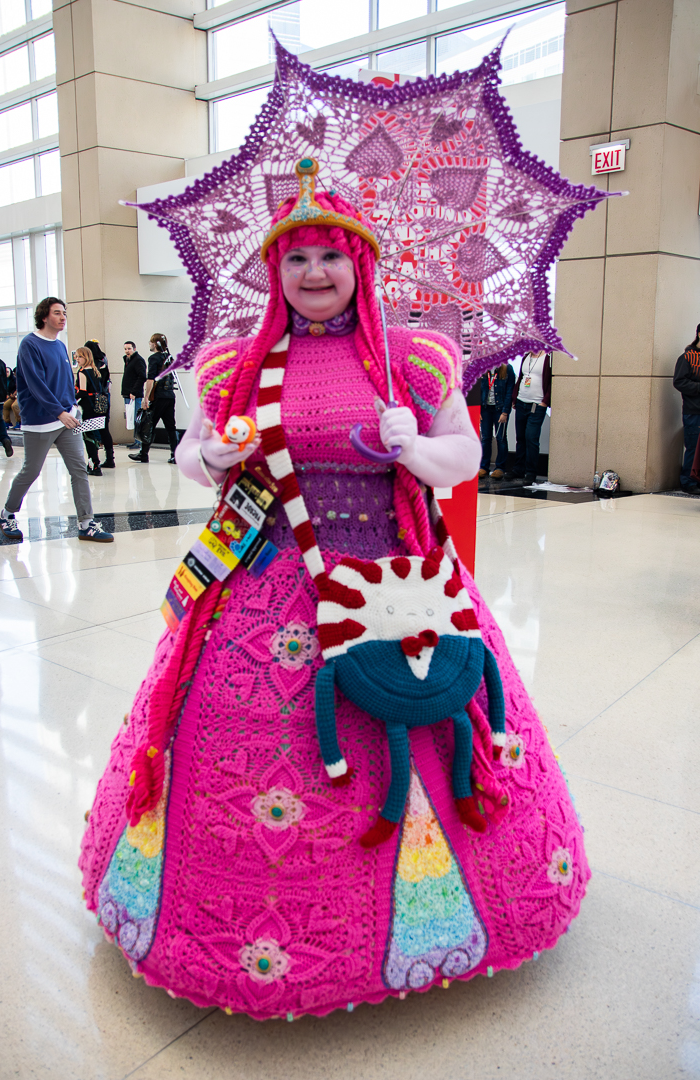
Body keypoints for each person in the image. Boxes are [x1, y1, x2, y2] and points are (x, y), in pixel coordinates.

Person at [80, 165, 587, 1018]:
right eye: (296, 258)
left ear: (361, 263)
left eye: (330, 257)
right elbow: (192, 453)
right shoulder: (234, 363)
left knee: (428, 723)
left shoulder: (414, 357)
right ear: (274, 270)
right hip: (264, 582)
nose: (314, 272)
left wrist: (413, 448)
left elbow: (463, 458)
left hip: (398, 587)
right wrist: (213, 457)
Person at [0, 297, 113, 543]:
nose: (63, 317)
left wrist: (72, 408)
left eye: (64, 313)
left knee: (79, 470)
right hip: (40, 420)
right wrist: (59, 412)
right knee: (31, 471)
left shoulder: (60, 345)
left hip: (66, 419)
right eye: (57, 313)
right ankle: (6, 514)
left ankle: (86, 524)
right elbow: (36, 385)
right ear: (44, 316)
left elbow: (67, 380)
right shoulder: (30, 344)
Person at [128, 332, 178, 464]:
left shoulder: (153, 358)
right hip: (170, 396)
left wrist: (146, 398)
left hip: (159, 396)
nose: (149, 344)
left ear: (155, 344)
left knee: (148, 424)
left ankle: (143, 454)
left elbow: (150, 379)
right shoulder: (169, 358)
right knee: (171, 427)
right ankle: (175, 454)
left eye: (150, 342)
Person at [508, 349, 552, 483]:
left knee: (531, 438)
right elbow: (521, 377)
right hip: (521, 402)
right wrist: (515, 398)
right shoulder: (526, 356)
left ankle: (531, 472)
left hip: (537, 404)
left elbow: (551, 381)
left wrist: (545, 402)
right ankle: (518, 469)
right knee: (520, 438)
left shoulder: (547, 358)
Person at [672, 324, 700, 493]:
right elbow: (679, 382)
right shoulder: (687, 357)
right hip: (694, 411)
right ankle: (688, 482)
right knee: (694, 447)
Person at [74, 346, 108, 476]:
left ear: (86, 357)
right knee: (94, 435)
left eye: (80, 356)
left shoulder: (82, 372)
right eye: (76, 357)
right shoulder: (95, 370)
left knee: (88, 437)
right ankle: (95, 463)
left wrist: (72, 398)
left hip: (87, 407)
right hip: (98, 406)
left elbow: (82, 391)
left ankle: (94, 464)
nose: (77, 359)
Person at [478, 364, 515, 479]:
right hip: (485, 409)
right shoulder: (482, 367)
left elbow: (509, 392)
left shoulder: (507, 368)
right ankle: (484, 467)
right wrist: (477, 409)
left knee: (501, 438)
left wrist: (505, 412)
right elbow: (477, 389)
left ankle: (500, 468)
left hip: (500, 409)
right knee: (486, 438)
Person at [85, 340, 115, 468]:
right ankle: (110, 458)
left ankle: (94, 460)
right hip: (104, 398)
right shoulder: (104, 362)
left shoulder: (91, 366)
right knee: (105, 429)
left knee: (90, 430)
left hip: (93, 400)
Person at [120, 340, 146, 449]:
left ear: (134, 349)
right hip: (128, 393)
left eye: (129, 349)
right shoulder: (128, 360)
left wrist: (134, 391)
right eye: (125, 349)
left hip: (134, 394)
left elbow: (142, 376)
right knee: (131, 417)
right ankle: (136, 440)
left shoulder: (138, 360)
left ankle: (138, 441)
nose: (127, 351)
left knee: (136, 417)